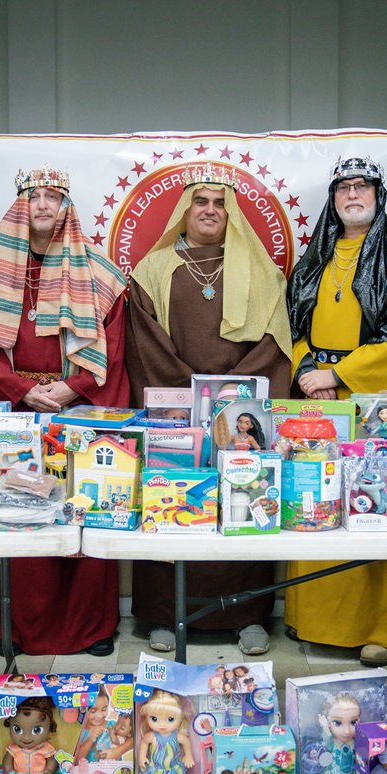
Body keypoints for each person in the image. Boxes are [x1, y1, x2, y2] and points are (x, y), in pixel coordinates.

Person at [0, 164, 126, 656]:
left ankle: (92, 627)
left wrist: (72, 389)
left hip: (78, 411)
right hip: (18, 415)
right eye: (34, 196)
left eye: (54, 196)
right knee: (19, 516)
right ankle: (22, 629)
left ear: (67, 207)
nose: (44, 204)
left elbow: (113, 347)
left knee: (84, 513)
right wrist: (21, 390)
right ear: (20, 205)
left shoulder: (98, 272)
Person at [126, 163, 291, 655]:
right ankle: (164, 614)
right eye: (201, 201)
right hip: (176, 414)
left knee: (243, 501)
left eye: (220, 203)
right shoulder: (154, 270)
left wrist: (233, 398)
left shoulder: (261, 272)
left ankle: (247, 616)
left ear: (231, 212)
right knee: (172, 503)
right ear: (185, 209)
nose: (210, 210)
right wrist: (186, 394)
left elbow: (275, 341)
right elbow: (144, 343)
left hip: (241, 417)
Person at [284, 157, 387, 668]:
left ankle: (380, 630)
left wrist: (340, 376)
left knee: (377, 507)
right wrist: (309, 371)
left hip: (375, 408)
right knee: (316, 501)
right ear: (333, 198)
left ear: (377, 194)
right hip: (319, 402)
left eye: (361, 186)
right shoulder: (315, 258)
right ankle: (316, 621)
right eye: (343, 187)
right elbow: (293, 325)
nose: (353, 194)